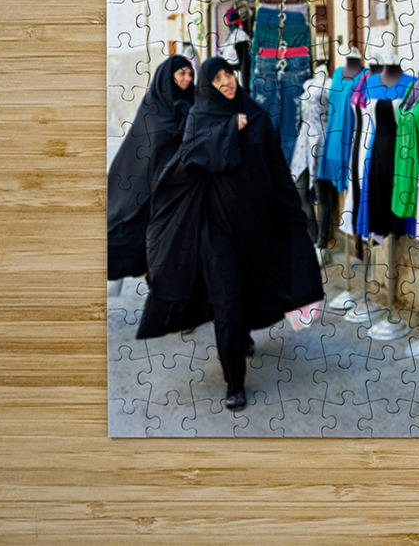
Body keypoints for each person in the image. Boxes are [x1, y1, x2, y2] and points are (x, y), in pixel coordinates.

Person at [135, 57, 325, 411]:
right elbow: (189, 162)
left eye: (229, 74)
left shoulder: (257, 116)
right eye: (218, 77)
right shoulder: (199, 118)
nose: (226, 81)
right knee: (226, 299)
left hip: (258, 227)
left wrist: (295, 217)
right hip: (215, 229)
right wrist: (226, 131)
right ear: (208, 85)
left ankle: (243, 334)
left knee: (251, 290)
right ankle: (234, 383)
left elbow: (277, 171)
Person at [106, 55, 194, 282]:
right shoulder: (152, 108)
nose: (187, 78)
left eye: (190, 73)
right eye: (181, 73)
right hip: (143, 190)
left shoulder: (193, 106)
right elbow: (142, 151)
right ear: (168, 77)